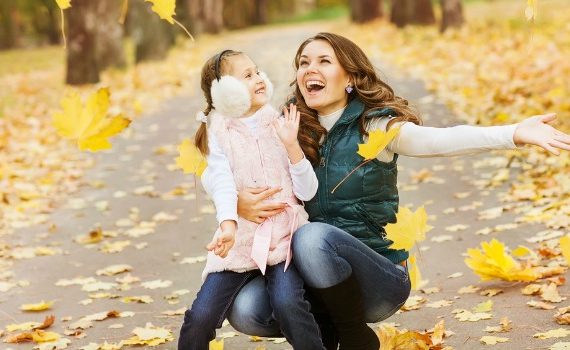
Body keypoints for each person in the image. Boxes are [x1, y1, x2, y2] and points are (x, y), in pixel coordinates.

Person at [202, 33, 570, 350]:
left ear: (349, 76)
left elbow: (442, 140)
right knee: (245, 308)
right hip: (309, 277)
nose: (308, 69)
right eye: (303, 62)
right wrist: (235, 202)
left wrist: (514, 133)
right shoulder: (289, 126)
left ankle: (354, 335)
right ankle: (326, 330)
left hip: (378, 277)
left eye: (324, 61)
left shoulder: (376, 127)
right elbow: (220, 164)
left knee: (311, 237)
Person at [177, 50, 325, 350]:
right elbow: (220, 182)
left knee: (288, 304)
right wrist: (228, 224)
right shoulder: (217, 132)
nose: (258, 79)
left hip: (284, 240)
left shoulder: (280, 123)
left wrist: (292, 145)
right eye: (247, 76)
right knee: (201, 315)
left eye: (257, 72)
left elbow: (308, 192)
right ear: (225, 91)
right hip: (240, 240)